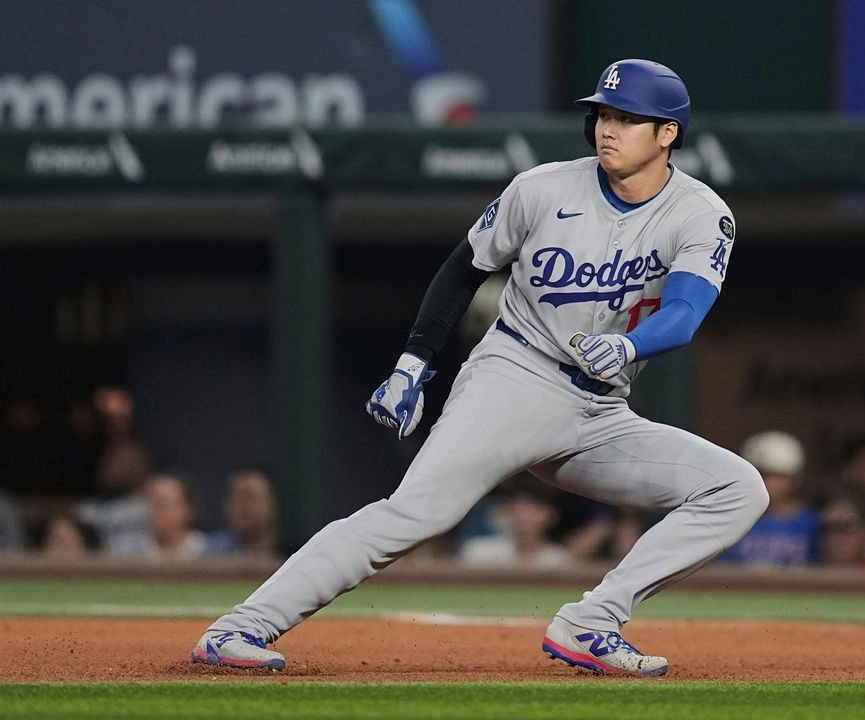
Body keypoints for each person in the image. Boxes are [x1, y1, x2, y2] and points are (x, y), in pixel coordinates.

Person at [191, 58, 768, 677]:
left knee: (736, 489)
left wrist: (631, 346)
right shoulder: (542, 188)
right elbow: (464, 268)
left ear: (667, 133)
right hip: (516, 376)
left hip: (600, 408)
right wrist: (415, 360)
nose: (607, 128)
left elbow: (683, 311)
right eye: (601, 113)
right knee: (418, 513)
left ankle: (591, 622)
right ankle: (241, 627)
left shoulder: (700, 212)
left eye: (627, 118)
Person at [717, 430, 819, 566]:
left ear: (795, 478)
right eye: (760, 473)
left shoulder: (813, 523)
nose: (766, 481)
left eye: (777, 475)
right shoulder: (728, 519)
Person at [459, 477, 572, 570]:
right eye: (517, 508)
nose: (522, 517)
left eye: (532, 510)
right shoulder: (478, 552)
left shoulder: (559, 560)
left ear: (551, 515)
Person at [204, 468, 280, 559]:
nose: (238, 506)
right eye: (233, 498)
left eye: (249, 497)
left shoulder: (295, 552)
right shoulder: (209, 550)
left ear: (272, 502)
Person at [144, 472, 207, 562]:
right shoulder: (133, 551)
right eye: (150, 503)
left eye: (161, 503)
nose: (153, 511)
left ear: (187, 509)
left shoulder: (209, 549)